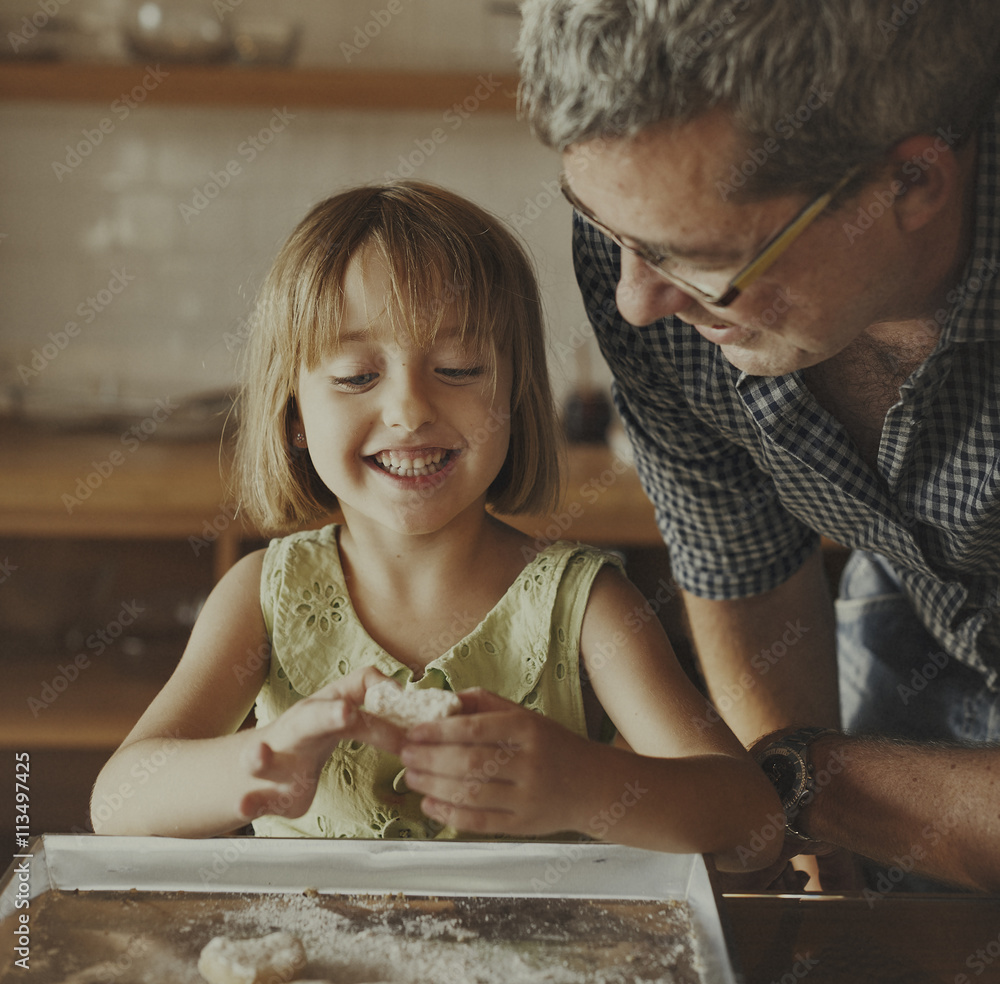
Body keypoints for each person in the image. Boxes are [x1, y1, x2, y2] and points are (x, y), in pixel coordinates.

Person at [90, 181, 781, 871]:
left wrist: (584, 785)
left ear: (515, 392)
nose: (410, 409)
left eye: (458, 367)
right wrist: (259, 764)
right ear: (294, 415)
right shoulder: (262, 596)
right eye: (358, 375)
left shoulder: (583, 606)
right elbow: (118, 802)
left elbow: (751, 824)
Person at [484, 0, 1000, 891]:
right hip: (915, 621)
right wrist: (813, 871)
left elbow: (791, 786)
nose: (636, 300)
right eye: (608, 229)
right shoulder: (643, 251)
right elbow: (741, 565)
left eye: (699, 259)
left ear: (913, 181)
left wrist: (798, 786)